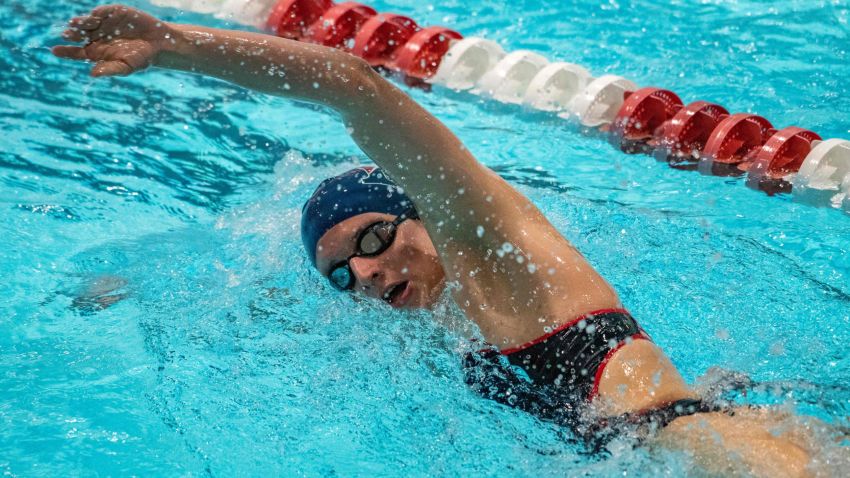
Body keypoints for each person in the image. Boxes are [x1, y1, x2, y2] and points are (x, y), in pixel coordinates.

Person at [53, 5, 830, 476]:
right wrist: (143, 291)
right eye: (342, 274)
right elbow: (259, 314)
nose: (365, 271)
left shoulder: (488, 241)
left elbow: (350, 86)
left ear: (424, 211)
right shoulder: (426, 316)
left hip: (708, 456)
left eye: (376, 236)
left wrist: (175, 43)